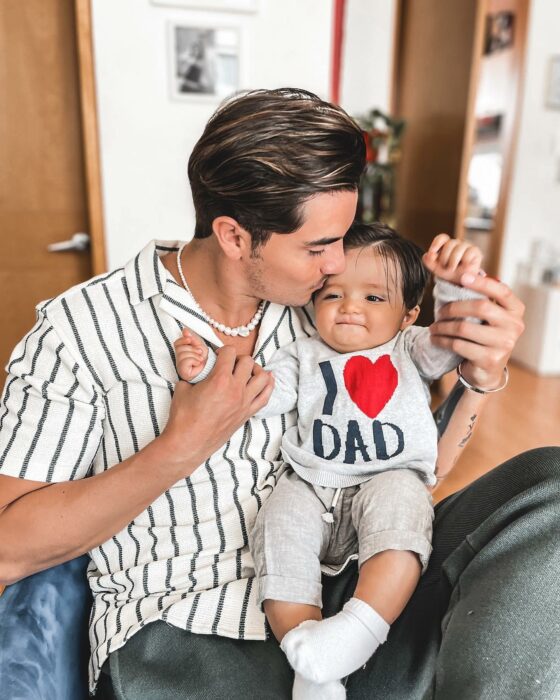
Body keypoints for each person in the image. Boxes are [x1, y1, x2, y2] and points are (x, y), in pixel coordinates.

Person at [0, 88, 556, 700]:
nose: (337, 264)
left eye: (341, 238)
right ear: (236, 237)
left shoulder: (325, 308)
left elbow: (407, 466)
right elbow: (9, 549)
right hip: (190, 626)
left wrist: (480, 371)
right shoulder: (80, 331)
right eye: (319, 247)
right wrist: (183, 444)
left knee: (549, 485)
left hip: (358, 594)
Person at [175, 223, 485, 698]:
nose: (350, 307)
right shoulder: (301, 354)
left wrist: (453, 283)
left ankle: (357, 633)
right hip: (310, 483)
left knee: (403, 524)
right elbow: (260, 393)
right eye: (332, 295)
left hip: (388, 476)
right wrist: (209, 370)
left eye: (374, 298)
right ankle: (310, 656)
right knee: (278, 530)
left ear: (409, 314)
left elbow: (453, 337)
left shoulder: (410, 349)